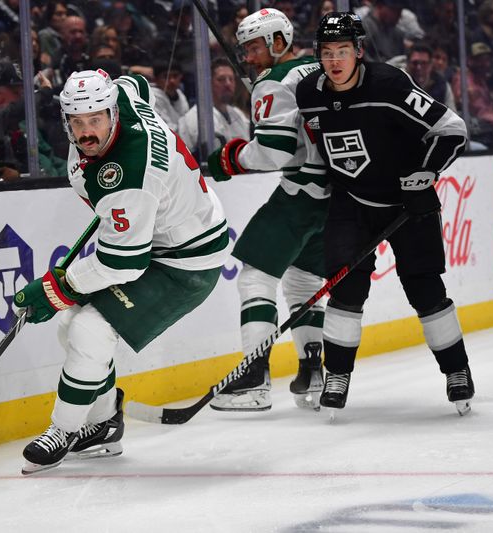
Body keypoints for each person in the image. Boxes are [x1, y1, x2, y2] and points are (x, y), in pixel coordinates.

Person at [14, 69, 231, 474]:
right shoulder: (122, 98)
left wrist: (56, 289)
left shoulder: (129, 174)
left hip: (184, 261)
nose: (86, 132)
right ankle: (103, 424)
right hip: (163, 233)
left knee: (88, 329)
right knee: (71, 328)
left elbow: (122, 262)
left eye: (95, 119)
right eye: (77, 122)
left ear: (112, 113)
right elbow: (135, 82)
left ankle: (62, 430)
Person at [295, 12, 474, 415]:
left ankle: (457, 370)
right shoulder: (309, 92)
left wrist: (422, 175)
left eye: (343, 51)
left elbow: (452, 128)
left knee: (425, 290)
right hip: (351, 201)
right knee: (345, 288)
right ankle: (337, 374)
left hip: (408, 204)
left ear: (359, 51)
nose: (335, 60)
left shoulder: (390, 85)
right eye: (327, 53)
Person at [206, 8, 328, 412]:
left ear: (279, 42)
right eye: (244, 50)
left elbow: (273, 153)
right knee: (304, 281)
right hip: (337, 195)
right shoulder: (317, 68)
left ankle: (253, 378)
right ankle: (314, 370)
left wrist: (231, 157)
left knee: (255, 278)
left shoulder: (274, 81)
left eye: (255, 47)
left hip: (300, 194)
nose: (248, 57)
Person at [177, 57, 250, 154]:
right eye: (221, 79)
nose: (228, 84)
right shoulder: (194, 118)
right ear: (208, 83)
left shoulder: (238, 114)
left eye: (231, 79)